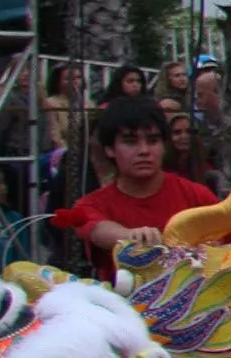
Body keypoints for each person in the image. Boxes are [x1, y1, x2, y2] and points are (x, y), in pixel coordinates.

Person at [70, 97, 222, 270]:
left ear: (164, 146)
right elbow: (96, 230)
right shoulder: (91, 205)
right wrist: (131, 237)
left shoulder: (198, 196)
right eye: (131, 141)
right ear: (109, 149)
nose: (144, 151)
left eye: (153, 141)